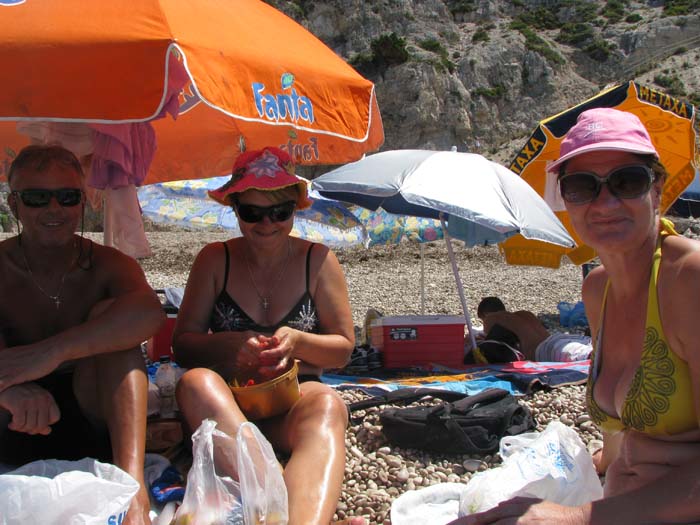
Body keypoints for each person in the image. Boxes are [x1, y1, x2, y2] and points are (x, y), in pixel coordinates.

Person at [450, 107, 700, 524]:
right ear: (565, 199)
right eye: (582, 187)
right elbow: (625, 431)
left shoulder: (687, 279)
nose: (605, 202)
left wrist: (577, 516)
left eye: (627, 181)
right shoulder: (598, 289)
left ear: (657, 188)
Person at [172, 147, 363, 525]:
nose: (267, 223)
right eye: (252, 213)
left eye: (280, 212)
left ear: (296, 209)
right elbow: (183, 345)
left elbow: (343, 349)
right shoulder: (215, 260)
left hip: (295, 398)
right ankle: (281, 491)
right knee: (195, 383)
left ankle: (278, 502)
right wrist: (229, 346)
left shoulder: (318, 261)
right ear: (234, 208)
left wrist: (299, 341)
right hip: (227, 403)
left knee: (329, 405)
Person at [0, 144, 165, 525]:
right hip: (13, 418)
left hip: (90, 413)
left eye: (67, 197)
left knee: (115, 319)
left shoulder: (107, 264)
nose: (54, 209)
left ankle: (132, 486)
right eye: (37, 198)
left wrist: (52, 352)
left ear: (83, 201)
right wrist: (8, 391)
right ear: (14, 205)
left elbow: (149, 313)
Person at [473, 296, 592, 363]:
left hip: (543, 350)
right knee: (594, 349)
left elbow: (490, 346)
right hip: (558, 338)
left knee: (590, 357)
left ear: (485, 314)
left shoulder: (491, 319)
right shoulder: (524, 314)